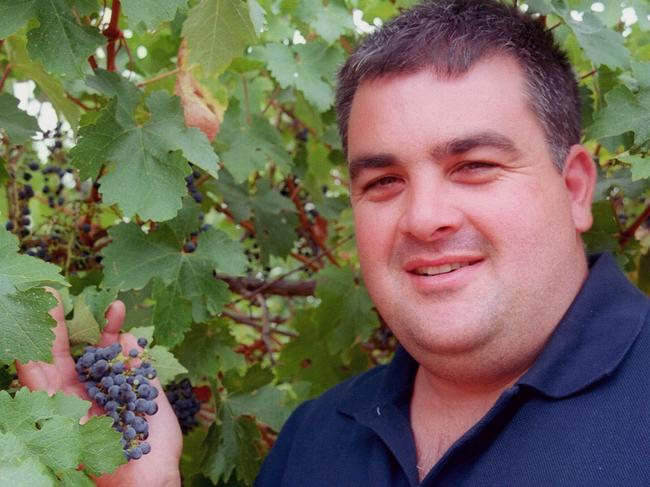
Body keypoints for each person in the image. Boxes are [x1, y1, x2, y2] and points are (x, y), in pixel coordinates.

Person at [17, 0, 650, 486]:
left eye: (475, 165)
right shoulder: (313, 439)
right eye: (383, 181)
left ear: (574, 189)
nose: (424, 218)